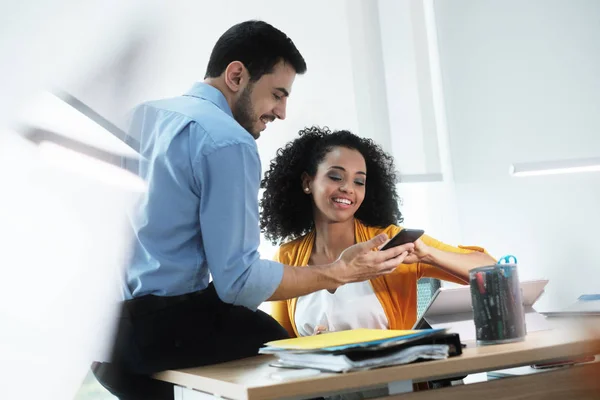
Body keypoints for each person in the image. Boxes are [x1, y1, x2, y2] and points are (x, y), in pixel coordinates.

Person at [94, 21, 415, 400]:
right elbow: (238, 281)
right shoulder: (228, 140)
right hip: (159, 329)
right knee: (296, 363)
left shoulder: (142, 115)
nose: (280, 112)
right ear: (236, 75)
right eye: (277, 94)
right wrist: (336, 273)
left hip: (102, 334)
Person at [261, 126, 496, 337]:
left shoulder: (392, 243)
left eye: (359, 182)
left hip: (392, 383)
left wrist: (429, 255)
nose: (347, 188)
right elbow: (282, 346)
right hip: (322, 384)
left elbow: (493, 272)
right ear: (307, 182)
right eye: (335, 177)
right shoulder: (288, 257)